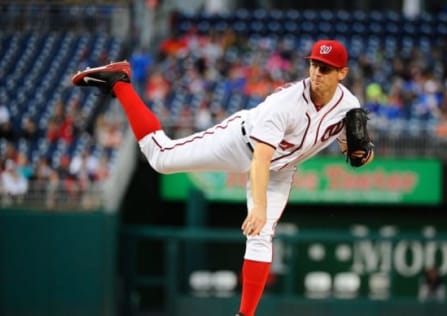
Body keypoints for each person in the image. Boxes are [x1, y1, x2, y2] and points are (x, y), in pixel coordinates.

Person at [72, 39, 374, 316]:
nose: (316, 72)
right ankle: (121, 83)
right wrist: (257, 207)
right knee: (161, 159)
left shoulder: (348, 107)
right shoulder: (286, 104)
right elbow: (260, 159)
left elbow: (356, 154)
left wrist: (362, 153)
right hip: (241, 144)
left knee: (261, 237)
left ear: (342, 73)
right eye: (312, 64)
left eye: (325, 68)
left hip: (282, 169)